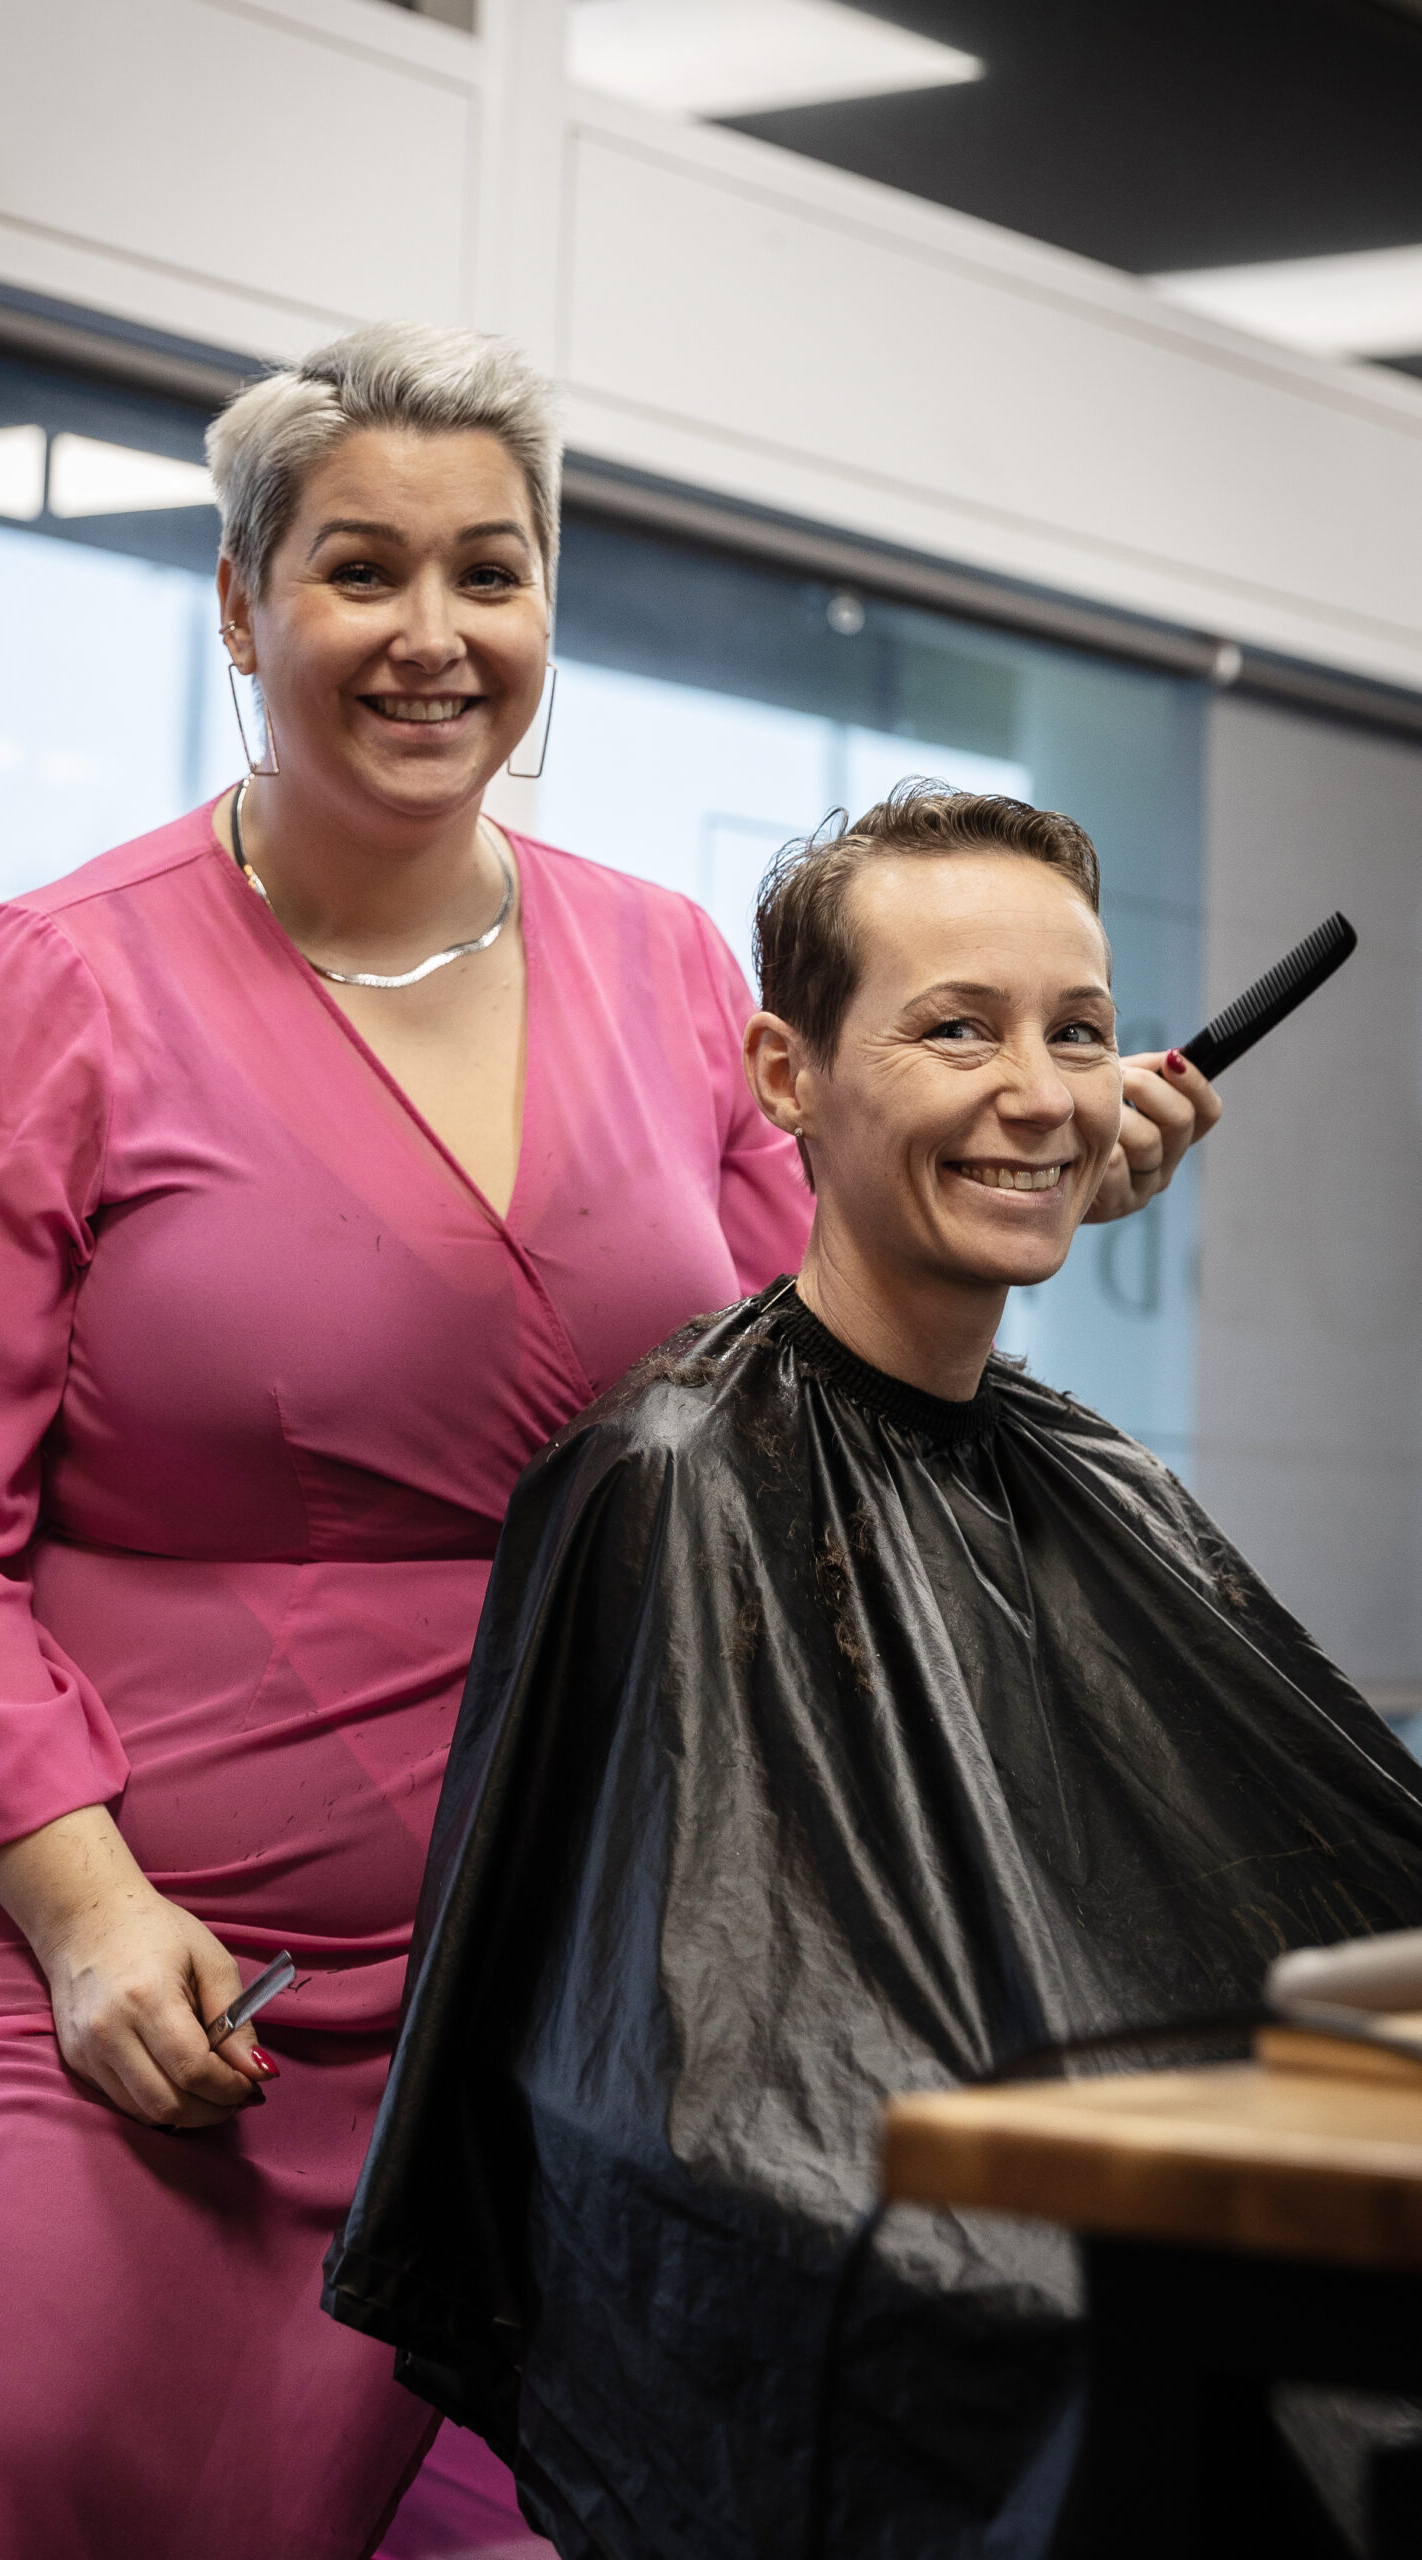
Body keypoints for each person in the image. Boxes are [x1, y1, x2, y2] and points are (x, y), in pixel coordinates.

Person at [0, 311, 1211, 2560]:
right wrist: (87, 1910)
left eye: (489, 571)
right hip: (116, 1967)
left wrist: (1010, 1179)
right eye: (359, 569)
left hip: (564, 1977)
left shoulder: (671, 976)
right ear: (241, 602)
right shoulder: (39, 992)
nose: (430, 633)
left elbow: (814, 1401)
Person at [323, 786, 1422, 2560]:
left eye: (1077, 1034)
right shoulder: (670, 1479)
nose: (1038, 1090)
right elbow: (669, 2101)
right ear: (785, 1075)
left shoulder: (1095, 1483)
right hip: (926, 2326)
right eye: (955, 1029)